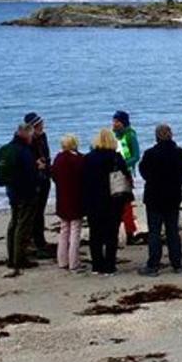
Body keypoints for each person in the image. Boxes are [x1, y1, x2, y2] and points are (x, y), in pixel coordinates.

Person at [137, 123, 182, 275]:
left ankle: (153, 264)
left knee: (155, 232)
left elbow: (144, 172)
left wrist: (154, 180)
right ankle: (177, 263)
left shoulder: (150, 154)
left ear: (156, 137)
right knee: (172, 230)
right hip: (173, 196)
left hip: (154, 196)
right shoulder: (181, 153)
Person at [82, 128, 130, 277]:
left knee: (95, 233)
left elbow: (82, 180)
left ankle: (97, 265)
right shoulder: (116, 157)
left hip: (93, 200)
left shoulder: (88, 158)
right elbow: (125, 176)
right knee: (111, 233)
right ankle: (109, 265)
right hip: (113, 200)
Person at [4, 122, 39, 275]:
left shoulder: (9, 148)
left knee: (14, 223)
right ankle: (19, 259)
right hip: (25, 193)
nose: (32, 138)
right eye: (31, 135)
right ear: (25, 134)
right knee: (22, 226)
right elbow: (30, 174)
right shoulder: (23, 151)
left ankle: (12, 257)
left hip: (12, 192)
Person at [50, 133, 85, 271]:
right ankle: (73, 262)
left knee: (64, 230)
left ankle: (62, 260)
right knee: (75, 230)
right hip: (75, 198)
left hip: (62, 198)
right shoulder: (78, 160)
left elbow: (53, 175)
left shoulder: (58, 158)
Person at [112, 110, 142, 245]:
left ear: (123, 122)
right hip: (113, 174)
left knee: (126, 204)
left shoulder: (130, 135)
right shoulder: (113, 136)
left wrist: (123, 165)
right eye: (114, 121)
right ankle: (116, 232)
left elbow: (136, 156)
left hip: (125, 174)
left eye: (117, 121)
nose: (114, 124)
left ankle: (130, 233)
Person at [24, 112, 52, 258]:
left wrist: (48, 168)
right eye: (38, 125)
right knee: (34, 213)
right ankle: (36, 242)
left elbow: (46, 154)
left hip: (44, 177)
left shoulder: (42, 137)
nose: (41, 127)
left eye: (41, 124)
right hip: (34, 181)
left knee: (39, 211)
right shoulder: (27, 141)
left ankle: (39, 240)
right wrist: (36, 165)